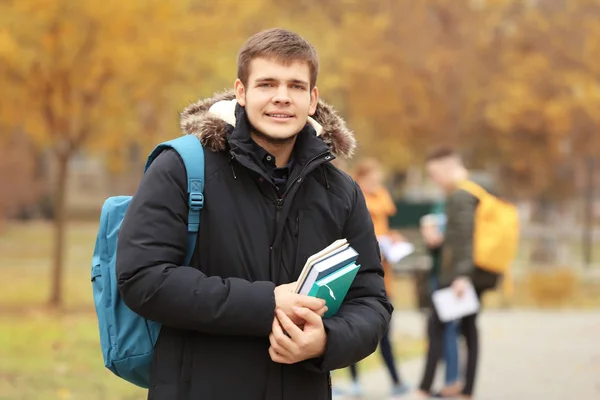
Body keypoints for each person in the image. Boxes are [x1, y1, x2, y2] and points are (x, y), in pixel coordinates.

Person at [115, 28, 393, 400]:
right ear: (242, 92)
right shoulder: (181, 168)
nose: (281, 97)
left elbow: (371, 302)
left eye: (296, 86)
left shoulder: (342, 192)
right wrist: (268, 303)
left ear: (312, 100)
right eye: (267, 84)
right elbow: (143, 278)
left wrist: (326, 341)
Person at [412, 146, 499, 400]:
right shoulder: (483, 187)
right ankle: (466, 390)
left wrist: (460, 276)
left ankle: (424, 389)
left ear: (448, 166)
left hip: (462, 274)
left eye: (435, 173)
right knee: (469, 328)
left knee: (435, 325)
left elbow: (463, 238)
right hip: (482, 270)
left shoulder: (462, 194)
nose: (435, 180)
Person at [333, 158, 409, 399]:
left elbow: (385, 230)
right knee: (354, 328)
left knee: (384, 330)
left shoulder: (383, 201)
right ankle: (355, 381)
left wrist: (392, 239)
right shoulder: (354, 199)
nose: (376, 182)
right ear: (362, 178)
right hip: (359, 274)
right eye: (371, 178)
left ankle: (396, 380)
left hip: (385, 277)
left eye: (378, 178)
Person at [420, 208, 461, 398]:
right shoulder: (446, 214)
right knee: (447, 332)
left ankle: (449, 381)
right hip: (443, 280)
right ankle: (451, 380)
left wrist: (432, 234)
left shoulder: (450, 221)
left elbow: (436, 242)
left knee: (445, 331)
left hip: (446, 282)